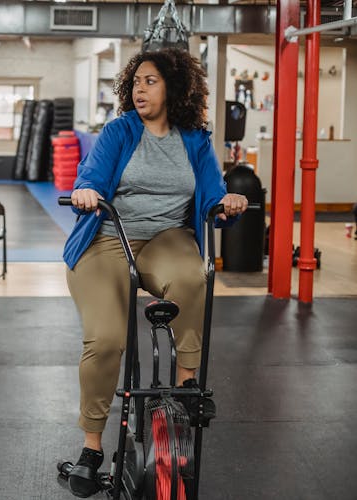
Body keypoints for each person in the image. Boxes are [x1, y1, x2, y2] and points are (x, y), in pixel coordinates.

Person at [61, 48, 248, 496]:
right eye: (136, 82)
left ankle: (186, 388)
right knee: (107, 339)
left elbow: (211, 195)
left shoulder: (196, 140)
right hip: (108, 237)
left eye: (151, 81)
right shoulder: (119, 131)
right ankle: (91, 446)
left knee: (192, 274)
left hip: (166, 237)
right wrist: (86, 190)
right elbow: (91, 175)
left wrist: (227, 204)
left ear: (174, 88)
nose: (139, 90)